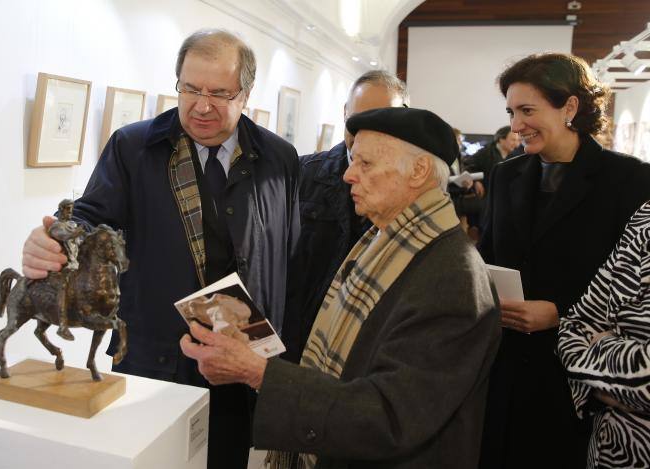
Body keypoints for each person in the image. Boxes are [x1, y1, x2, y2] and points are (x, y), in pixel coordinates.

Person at [20, 29, 300, 469]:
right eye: (190, 89)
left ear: (246, 94)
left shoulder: (279, 158)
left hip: (239, 359)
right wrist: (56, 238)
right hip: (156, 360)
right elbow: (90, 216)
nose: (201, 105)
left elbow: (289, 254)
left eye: (219, 93)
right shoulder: (133, 147)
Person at [181, 107, 501, 469]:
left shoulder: (452, 277)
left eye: (365, 164)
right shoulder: (382, 242)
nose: (348, 174)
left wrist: (257, 372)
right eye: (353, 160)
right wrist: (253, 352)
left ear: (418, 171)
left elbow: (389, 417)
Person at [477, 52, 650, 469]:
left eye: (527, 110)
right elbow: (488, 256)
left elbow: (635, 287)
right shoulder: (505, 175)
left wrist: (560, 312)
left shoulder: (631, 180)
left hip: (577, 380)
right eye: (511, 112)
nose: (516, 125)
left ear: (570, 107)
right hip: (505, 367)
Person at [282, 70, 408, 362]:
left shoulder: (412, 190)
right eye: (358, 120)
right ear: (344, 113)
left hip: (369, 349)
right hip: (297, 343)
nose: (367, 132)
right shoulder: (302, 174)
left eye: (382, 121)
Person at [558, 201, 650, 469]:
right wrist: (619, 379)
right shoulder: (644, 215)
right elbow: (576, 322)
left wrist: (603, 345)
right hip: (606, 452)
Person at [46, 199, 86, 340]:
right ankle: (63, 326)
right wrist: (76, 233)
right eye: (67, 209)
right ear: (61, 209)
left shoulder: (72, 225)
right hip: (62, 267)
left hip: (76, 265)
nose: (70, 212)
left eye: (71, 209)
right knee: (64, 288)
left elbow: (79, 241)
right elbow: (63, 236)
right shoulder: (56, 226)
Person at [464, 125, 520, 191]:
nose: (517, 144)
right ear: (501, 139)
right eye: (513, 140)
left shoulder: (516, 154)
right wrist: (476, 182)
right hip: (487, 193)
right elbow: (466, 166)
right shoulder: (485, 152)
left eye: (518, 140)